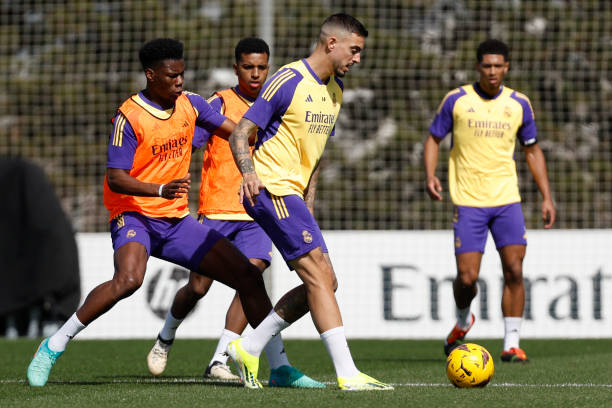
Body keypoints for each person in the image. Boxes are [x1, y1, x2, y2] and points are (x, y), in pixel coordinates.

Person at [26, 38, 276, 387]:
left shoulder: (191, 104)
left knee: (248, 276)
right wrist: (158, 189)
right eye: (172, 76)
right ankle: (53, 346)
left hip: (175, 220)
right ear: (150, 75)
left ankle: (279, 367)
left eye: (182, 74)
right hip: (135, 215)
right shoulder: (129, 116)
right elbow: (116, 178)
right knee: (129, 280)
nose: (179, 82)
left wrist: (274, 135)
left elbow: (235, 133)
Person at [227, 14, 392, 391]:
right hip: (271, 189)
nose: (357, 59)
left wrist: (310, 203)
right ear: (331, 43)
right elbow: (241, 132)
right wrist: (249, 173)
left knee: (326, 281)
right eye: (354, 50)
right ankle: (348, 374)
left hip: (294, 197)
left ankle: (249, 346)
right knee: (318, 277)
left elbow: (315, 154)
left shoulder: (336, 90)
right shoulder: (288, 80)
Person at [145, 37, 323, 388]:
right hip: (216, 209)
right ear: (236, 67)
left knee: (251, 277)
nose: (256, 74)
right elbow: (186, 144)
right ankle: (166, 336)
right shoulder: (220, 103)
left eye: (262, 67)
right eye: (248, 67)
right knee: (197, 286)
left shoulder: (279, 103)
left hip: (258, 211)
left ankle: (220, 357)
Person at [423, 39, 556, 362]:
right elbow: (433, 139)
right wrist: (430, 175)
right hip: (468, 201)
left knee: (514, 269)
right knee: (467, 278)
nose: (493, 71)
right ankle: (463, 318)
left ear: (506, 67)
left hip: (507, 200)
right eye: (487, 65)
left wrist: (547, 197)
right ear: (478, 67)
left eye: (498, 66)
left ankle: (511, 343)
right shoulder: (457, 100)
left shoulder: (519, 104)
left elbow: (532, 150)